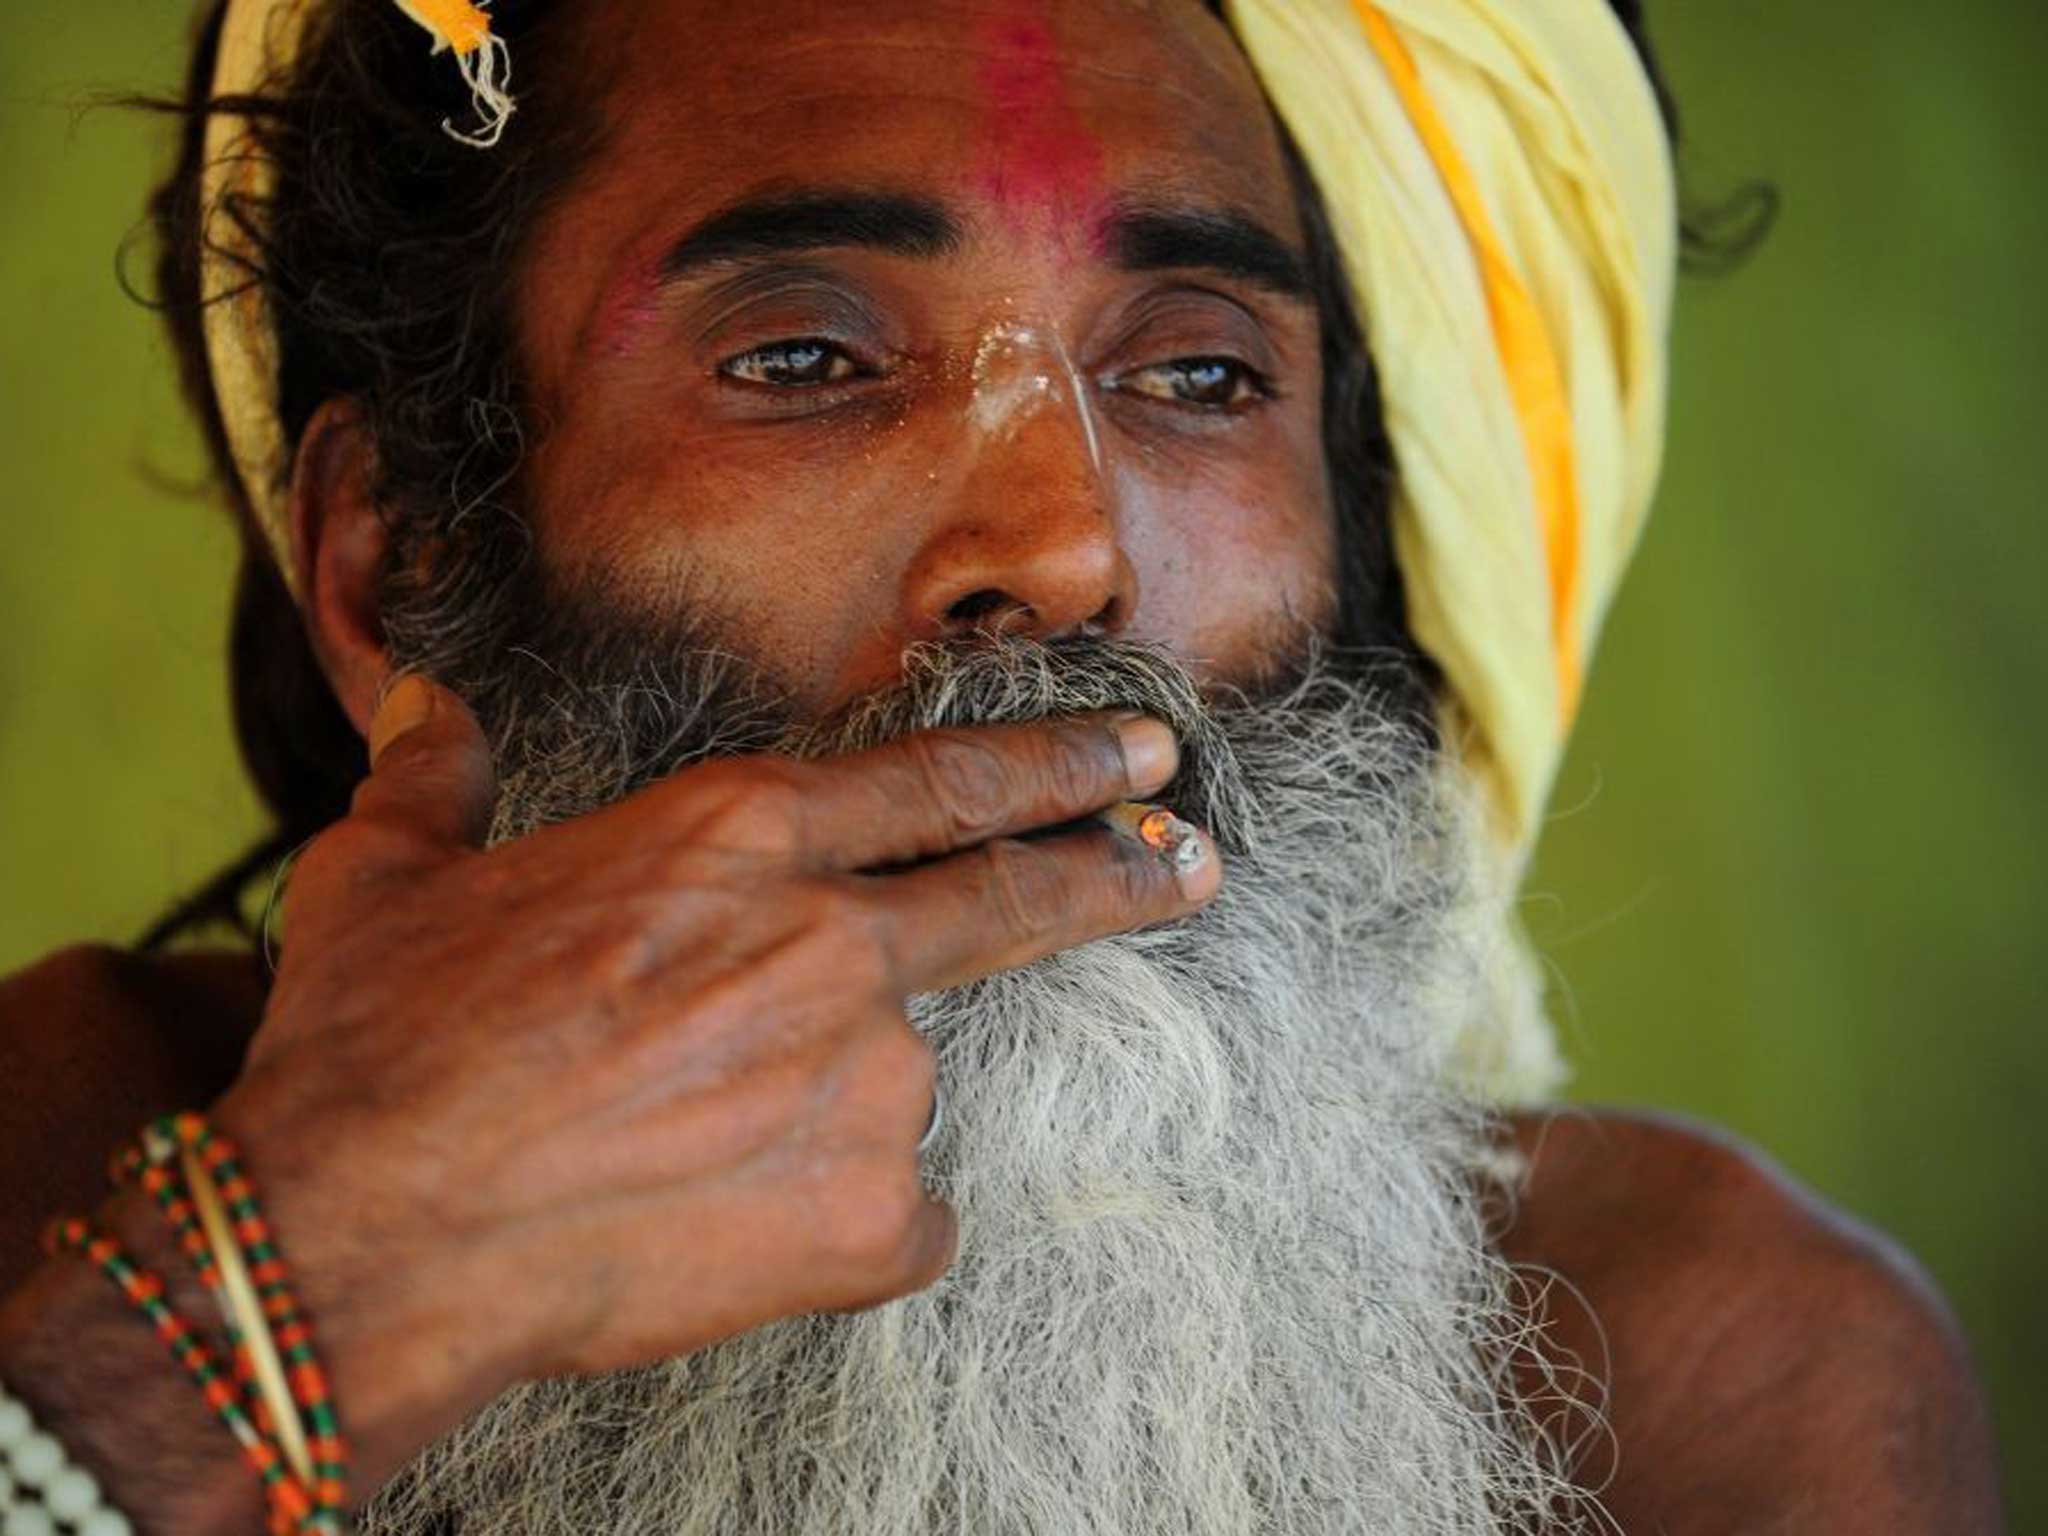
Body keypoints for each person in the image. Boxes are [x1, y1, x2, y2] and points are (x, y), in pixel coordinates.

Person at [0, 0, 2003, 1530]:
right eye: (801, 359)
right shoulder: (56, 1186)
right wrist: (286, 1298)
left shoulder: (1700, 1379)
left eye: (1201, 374)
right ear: (400, 571)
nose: (1059, 544)